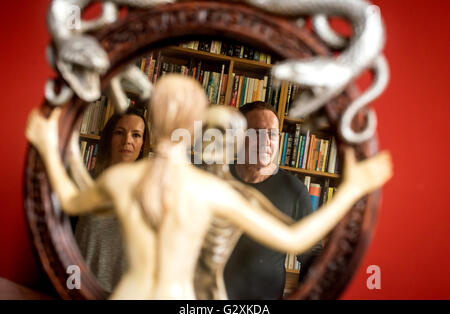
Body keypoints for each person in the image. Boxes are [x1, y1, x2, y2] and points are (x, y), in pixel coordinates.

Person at [26, 74, 392, 300]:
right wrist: (351, 189)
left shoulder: (122, 179)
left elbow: (71, 200)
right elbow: (294, 240)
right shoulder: (210, 189)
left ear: (153, 124)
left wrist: (49, 144)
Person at [224, 101, 322, 299]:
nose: (267, 141)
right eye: (258, 133)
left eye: (273, 134)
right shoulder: (216, 180)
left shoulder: (294, 190)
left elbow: (312, 255)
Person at [74, 106, 151, 293]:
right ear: (109, 138)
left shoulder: (150, 193)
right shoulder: (84, 182)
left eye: (136, 135)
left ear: (142, 145)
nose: (127, 141)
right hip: (80, 289)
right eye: (120, 133)